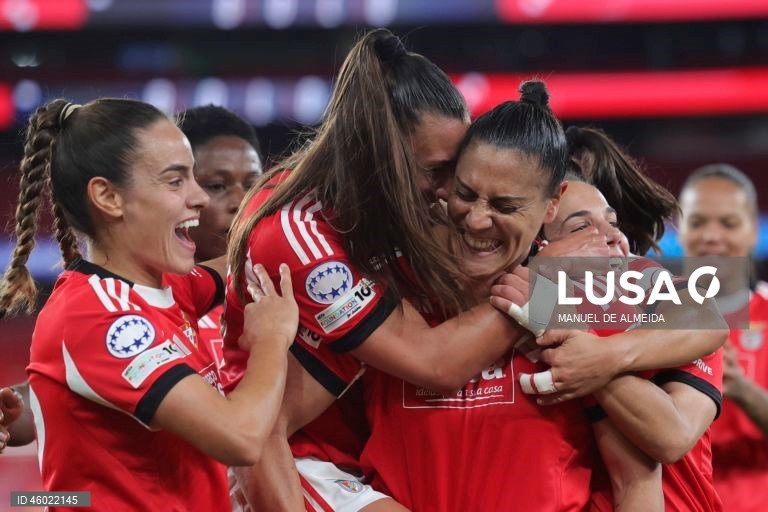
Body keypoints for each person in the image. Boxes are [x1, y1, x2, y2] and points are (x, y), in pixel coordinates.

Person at [0, 97, 297, 511]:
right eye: (176, 181)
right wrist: (271, 339)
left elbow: (247, 256)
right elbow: (240, 438)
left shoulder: (167, 286)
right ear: (108, 197)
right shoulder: (100, 315)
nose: (199, 198)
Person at [679, 164, 768, 512]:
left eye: (728, 223)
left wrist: (741, 389)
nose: (711, 236)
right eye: (698, 222)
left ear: (753, 230)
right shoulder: (648, 315)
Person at [177, 104, 264, 371]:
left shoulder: (292, 297)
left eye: (252, 185)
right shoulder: (156, 309)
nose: (241, 201)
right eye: (217, 186)